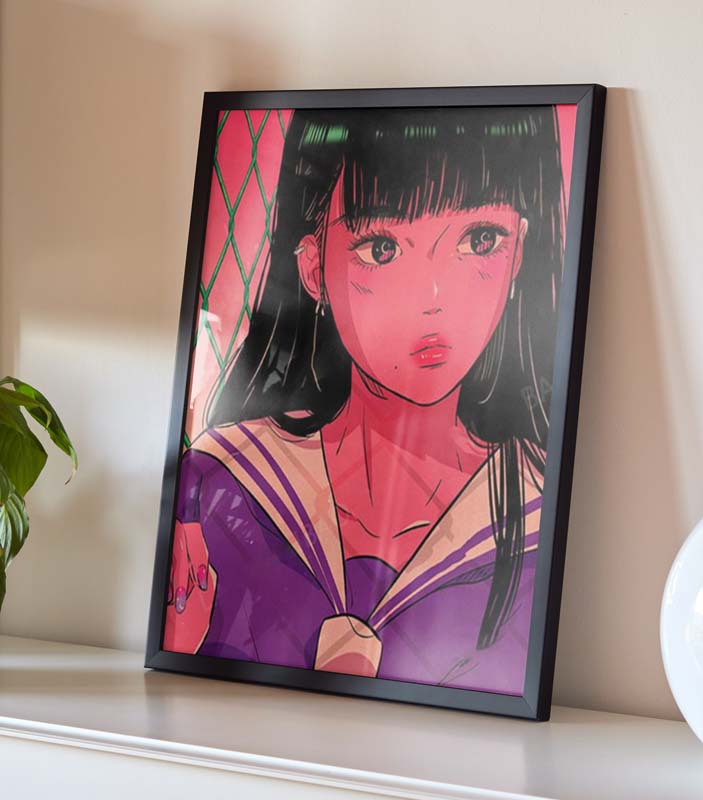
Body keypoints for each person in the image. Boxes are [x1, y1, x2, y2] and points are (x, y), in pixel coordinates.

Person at [164, 106, 565, 695]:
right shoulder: (220, 482)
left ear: (520, 253)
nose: (434, 299)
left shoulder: (537, 508)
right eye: (381, 248)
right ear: (312, 268)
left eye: (480, 240)